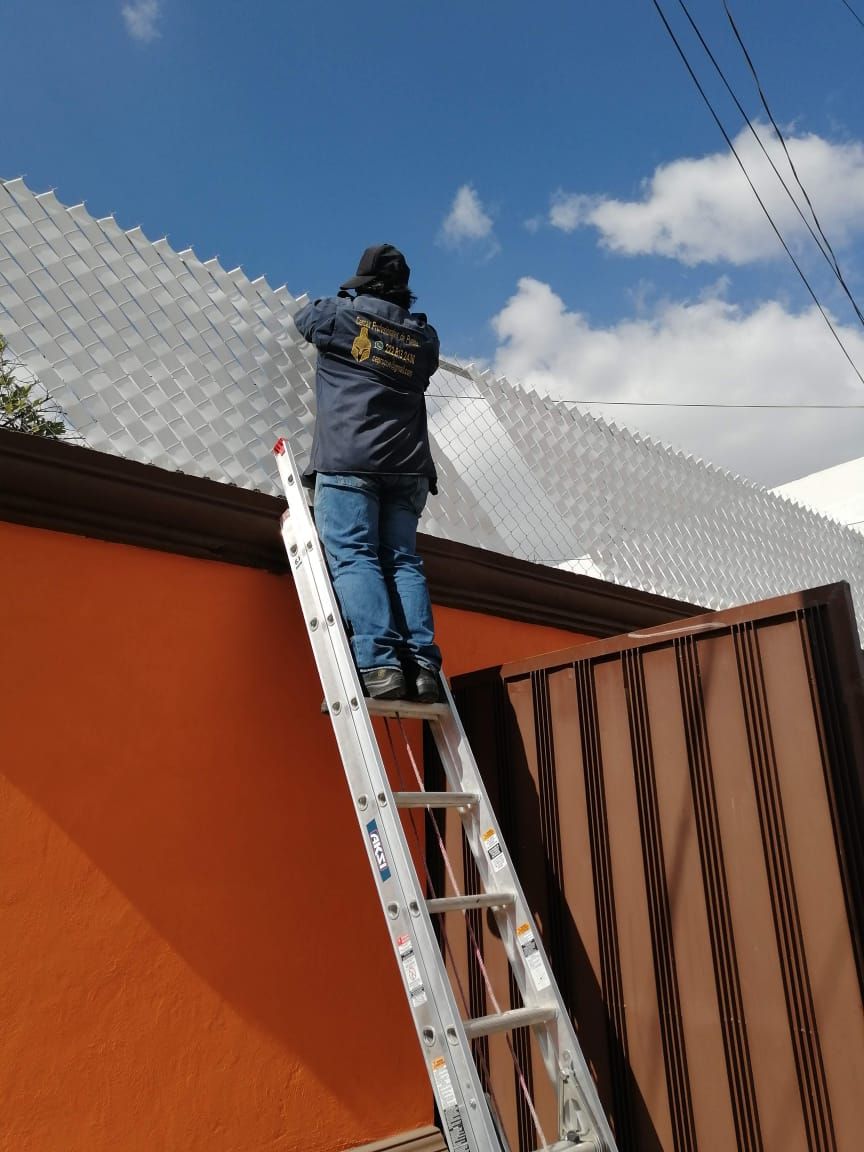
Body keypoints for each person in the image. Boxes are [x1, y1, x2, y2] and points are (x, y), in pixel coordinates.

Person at [293, 244, 443, 702]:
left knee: (355, 555)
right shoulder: (425, 338)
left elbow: (305, 318)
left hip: (351, 457)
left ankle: (378, 665)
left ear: (363, 284)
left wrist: (350, 298)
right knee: (401, 560)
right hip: (409, 467)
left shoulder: (340, 317)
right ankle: (421, 668)